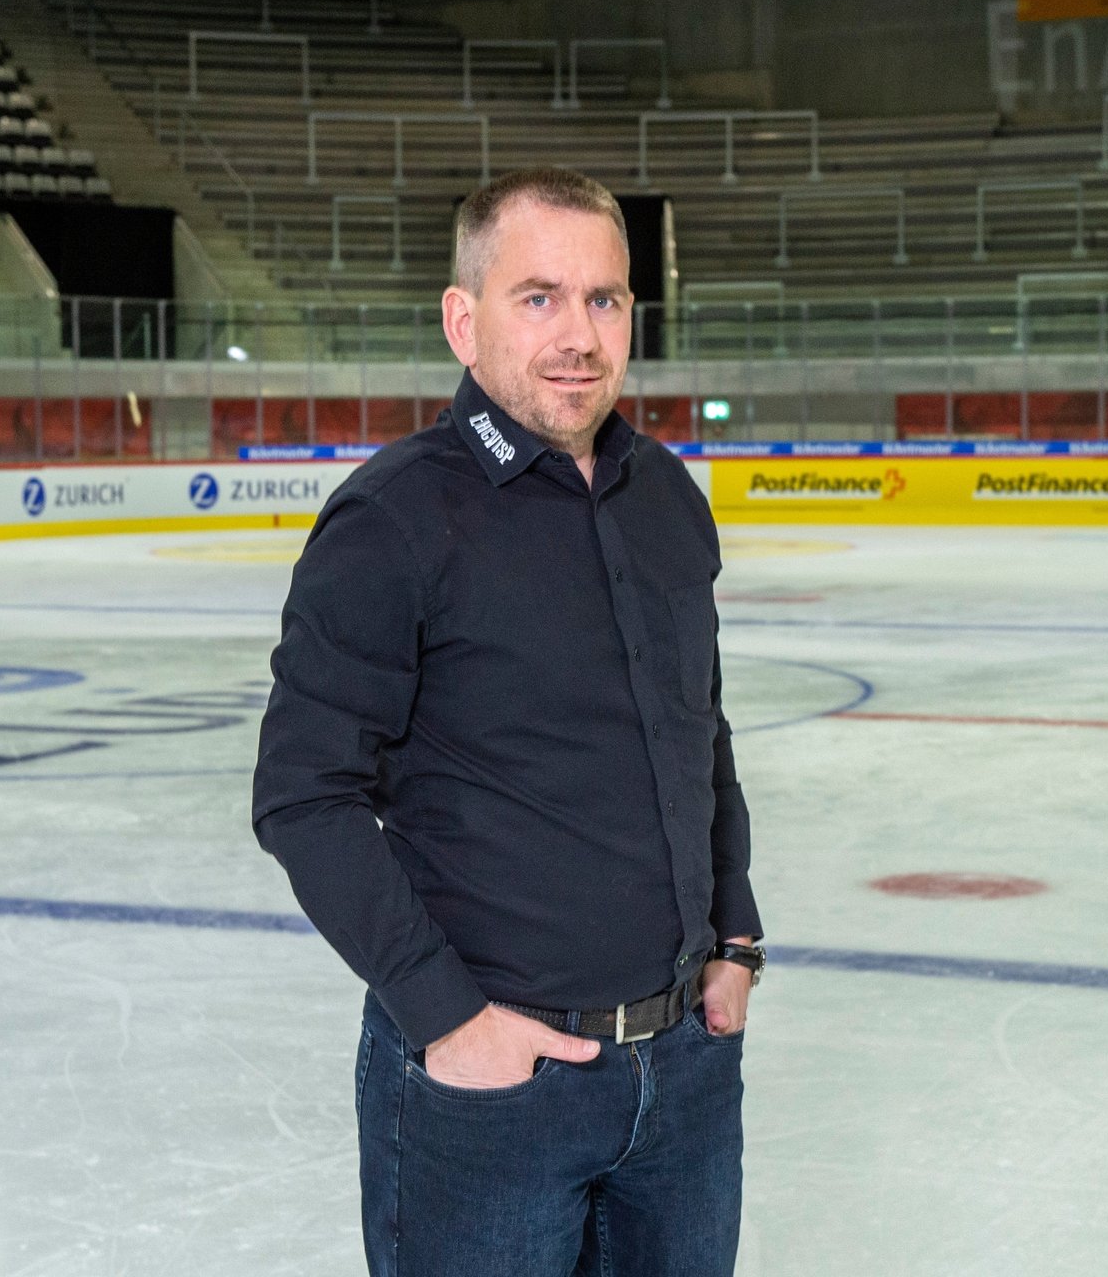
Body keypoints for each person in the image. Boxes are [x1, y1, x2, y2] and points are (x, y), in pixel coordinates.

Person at [252, 166, 767, 1277]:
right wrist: (447, 1019)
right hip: (493, 1094)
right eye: (537, 296)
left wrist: (734, 936)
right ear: (462, 318)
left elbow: (699, 732)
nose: (578, 333)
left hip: (682, 1077)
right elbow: (303, 794)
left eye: (605, 298)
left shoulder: (666, 497)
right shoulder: (391, 520)